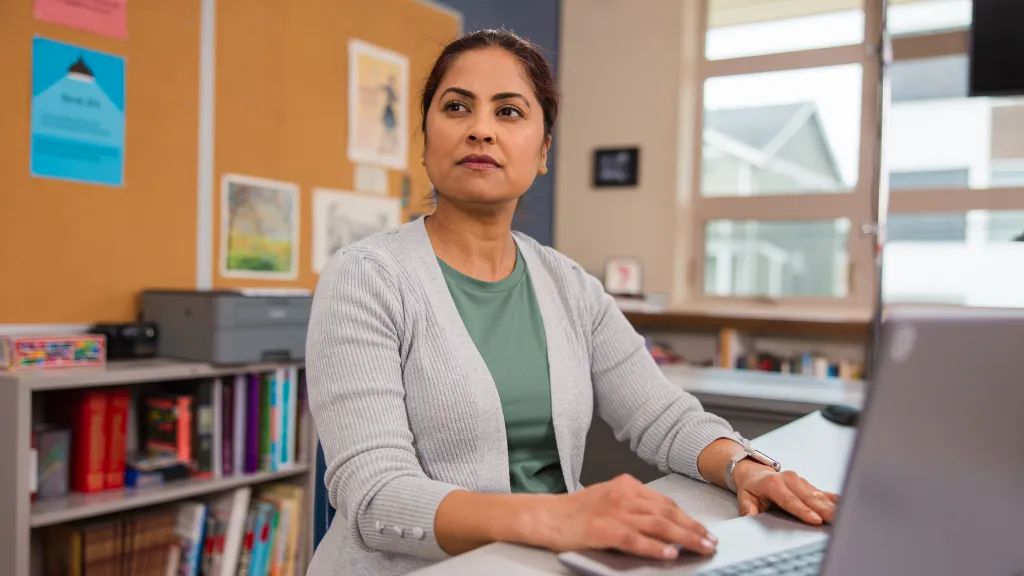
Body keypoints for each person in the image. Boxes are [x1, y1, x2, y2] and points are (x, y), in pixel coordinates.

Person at [306, 29, 839, 576]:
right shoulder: (367, 277)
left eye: (509, 112)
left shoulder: (568, 284)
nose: (480, 130)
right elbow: (374, 493)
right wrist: (554, 517)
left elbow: (661, 414)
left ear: (542, 152)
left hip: (552, 559)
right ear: (425, 141)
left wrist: (746, 469)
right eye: (456, 107)